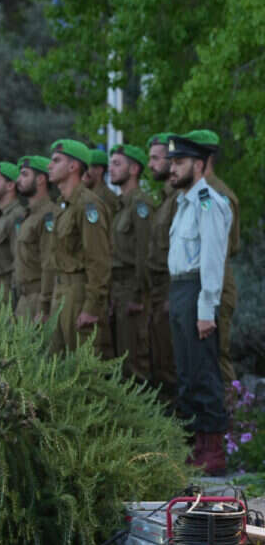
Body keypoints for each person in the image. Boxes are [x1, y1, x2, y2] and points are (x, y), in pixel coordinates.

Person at [166, 131, 233, 475]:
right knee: (187, 372)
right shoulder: (184, 203)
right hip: (180, 289)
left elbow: (211, 259)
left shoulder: (209, 202)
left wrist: (206, 310)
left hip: (197, 290)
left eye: (179, 162)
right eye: (172, 162)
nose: (172, 168)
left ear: (200, 163)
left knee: (204, 372)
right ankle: (196, 444)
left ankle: (213, 450)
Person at [44, 140, 111, 354]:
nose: (49, 166)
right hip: (60, 290)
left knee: (82, 368)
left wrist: (92, 307)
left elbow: (98, 259)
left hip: (78, 293)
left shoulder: (87, 205)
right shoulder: (63, 206)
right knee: (57, 366)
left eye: (56, 161)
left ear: (73, 167)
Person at [107, 144, 154, 381]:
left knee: (134, 360)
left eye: (117, 164)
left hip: (132, 289)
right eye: (111, 164)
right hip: (117, 289)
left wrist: (138, 295)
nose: (111, 169)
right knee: (119, 359)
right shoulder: (121, 206)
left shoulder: (141, 205)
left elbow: (145, 253)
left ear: (134, 169)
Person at [203, 136, 240, 394]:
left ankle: (237, 426)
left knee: (219, 354)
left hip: (218, 284)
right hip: (200, 284)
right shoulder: (190, 194)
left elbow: (229, 246)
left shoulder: (220, 196)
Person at [146, 133, 179, 404]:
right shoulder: (164, 200)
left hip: (173, 288)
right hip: (158, 291)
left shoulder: (181, 199)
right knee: (162, 362)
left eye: (156, 158)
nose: (151, 164)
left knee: (175, 363)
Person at [13, 156, 55, 321]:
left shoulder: (48, 215)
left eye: (24, 174)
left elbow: (49, 264)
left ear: (40, 179)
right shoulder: (28, 215)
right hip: (23, 299)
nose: (19, 180)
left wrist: (44, 305)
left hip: (39, 299)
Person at [0, 161, 26, 307]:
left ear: (10, 185)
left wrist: (15, 299)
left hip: (8, 295)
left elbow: (19, 259)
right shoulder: (1, 216)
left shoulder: (17, 216)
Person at [82, 148, 121, 225]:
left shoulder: (106, 198)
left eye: (87, 168)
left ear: (99, 170)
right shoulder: (87, 195)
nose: (83, 173)